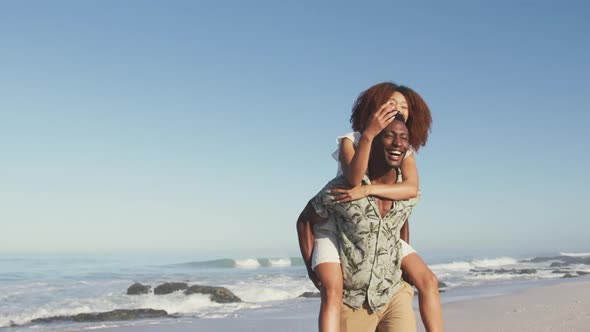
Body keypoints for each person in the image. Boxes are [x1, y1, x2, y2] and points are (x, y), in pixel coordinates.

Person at [312, 82, 443, 332]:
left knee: (428, 280)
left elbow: (409, 191)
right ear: (375, 106)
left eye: (404, 107)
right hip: (338, 224)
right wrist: (370, 135)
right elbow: (352, 179)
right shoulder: (352, 140)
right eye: (392, 104)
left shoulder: (403, 151)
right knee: (333, 290)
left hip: (380, 229)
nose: (399, 110)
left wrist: (368, 190)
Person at [297, 113, 418, 332]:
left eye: (403, 138)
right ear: (374, 141)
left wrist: (403, 267)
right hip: (354, 303)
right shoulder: (344, 189)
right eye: (389, 136)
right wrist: (310, 268)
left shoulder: (406, 189)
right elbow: (305, 220)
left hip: (394, 295)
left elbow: (401, 219)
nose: (398, 143)